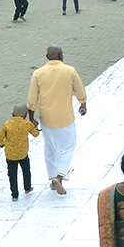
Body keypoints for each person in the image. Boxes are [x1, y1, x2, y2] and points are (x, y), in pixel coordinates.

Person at [26, 46, 87, 195]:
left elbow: (32, 98)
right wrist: (83, 103)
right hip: (65, 117)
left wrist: (32, 118)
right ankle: (60, 176)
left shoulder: (38, 73)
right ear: (61, 55)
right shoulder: (69, 71)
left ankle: (53, 178)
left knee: (50, 148)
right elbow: (79, 89)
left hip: (46, 118)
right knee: (67, 147)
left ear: (47, 56)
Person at [0, 105, 38, 201]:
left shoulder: (7, 124)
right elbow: (36, 134)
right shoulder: (27, 124)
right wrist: (34, 125)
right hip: (23, 153)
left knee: (12, 174)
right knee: (26, 170)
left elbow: (0, 137)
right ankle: (27, 188)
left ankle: (14, 195)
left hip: (10, 154)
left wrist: (1, 143)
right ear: (25, 115)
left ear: (12, 114)